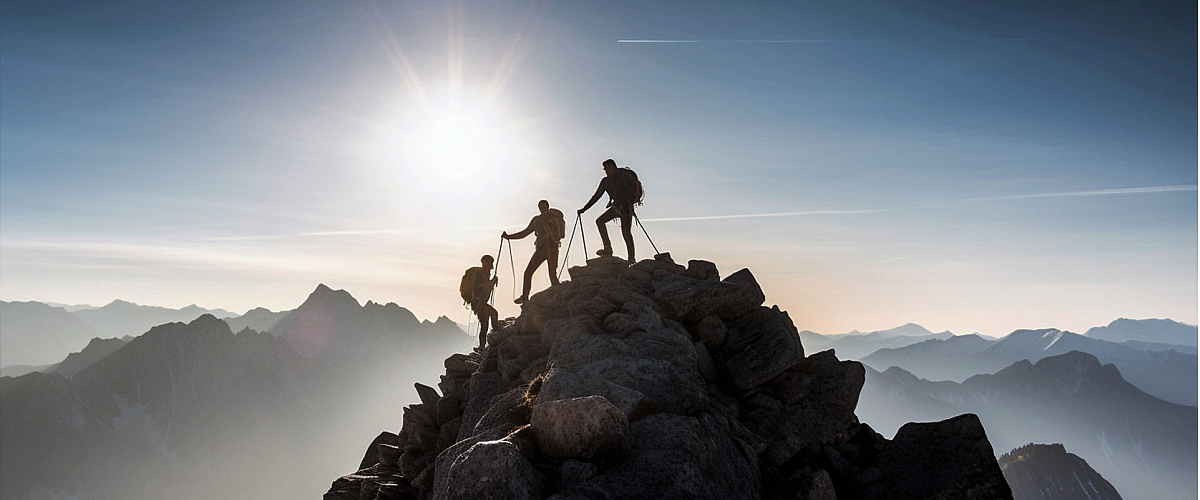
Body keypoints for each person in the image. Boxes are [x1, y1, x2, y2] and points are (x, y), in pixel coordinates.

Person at [503, 200, 565, 304]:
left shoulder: (544, 219)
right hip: (547, 248)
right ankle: (525, 296)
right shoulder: (542, 220)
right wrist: (509, 237)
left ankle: (527, 296)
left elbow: (525, 233)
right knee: (530, 272)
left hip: (548, 248)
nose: (542, 208)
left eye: (542, 206)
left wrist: (509, 237)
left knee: (546, 274)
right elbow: (525, 233)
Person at [578, 158, 640, 263]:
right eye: (605, 170)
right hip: (618, 207)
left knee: (625, 232)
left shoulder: (622, 177)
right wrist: (584, 209)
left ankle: (631, 258)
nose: (606, 172)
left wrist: (628, 203)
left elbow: (630, 192)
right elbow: (597, 196)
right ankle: (608, 248)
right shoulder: (605, 181)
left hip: (626, 208)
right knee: (600, 221)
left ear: (613, 167)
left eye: (607, 169)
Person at [460, 255, 499, 351]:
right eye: (490, 263)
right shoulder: (480, 275)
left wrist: (491, 282)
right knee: (490, 317)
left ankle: (484, 344)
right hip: (479, 303)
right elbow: (479, 289)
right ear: (485, 263)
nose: (491, 266)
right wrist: (491, 283)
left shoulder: (484, 274)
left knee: (485, 323)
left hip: (479, 304)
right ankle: (494, 335)